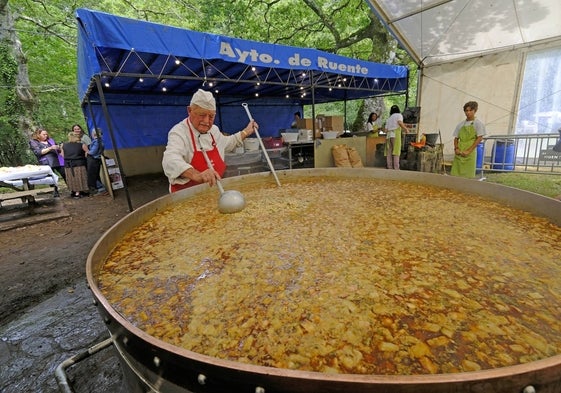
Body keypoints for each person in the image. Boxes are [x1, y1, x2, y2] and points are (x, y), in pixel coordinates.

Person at [162, 89, 258, 192]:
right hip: (186, 197)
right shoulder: (179, 132)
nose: (207, 121)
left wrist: (246, 132)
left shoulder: (214, 130)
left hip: (213, 193)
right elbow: (170, 160)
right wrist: (197, 175)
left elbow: (228, 143)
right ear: (189, 110)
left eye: (211, 116)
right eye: (202, 115)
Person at [451, 101, 486, 178]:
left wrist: (469, 150)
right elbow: (456, 138)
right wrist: (456, 148)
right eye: (466, 110)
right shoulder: (460, 124)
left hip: (470, 151)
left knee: (468, 175)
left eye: (470, 110)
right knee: (456, 174)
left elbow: (479, 138)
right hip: (459, 151)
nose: (468, 112)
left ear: (475, 111)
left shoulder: (478, 124)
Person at [61, 132, 89, 198]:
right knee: (80, 178)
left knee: (71, 179)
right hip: (79, 164)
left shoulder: (63, 145)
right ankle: (79, 192)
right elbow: (87, 152)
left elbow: (62, 155)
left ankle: (74, 191)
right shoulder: (82, 145)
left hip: (68, 165)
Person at [384, 105, 409, 169]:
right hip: (395, 135)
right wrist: (406, 129)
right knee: (396, 151)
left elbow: (385, 130)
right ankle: (396, 168)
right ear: (398, 110)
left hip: (388, 136)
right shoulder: (399, 115)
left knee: (389, 152)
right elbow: (400, 122)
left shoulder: (389, 118)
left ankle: (389, 167)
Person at [86, 128, 108, 195]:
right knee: (95, 175)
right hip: (96, 160)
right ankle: (101, 189)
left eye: (93, 133)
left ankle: (101, 189)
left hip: (93, 160)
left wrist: (87, 152)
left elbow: (93, 152)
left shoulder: (97, 141)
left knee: (93, 175)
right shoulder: (100, 140)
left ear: (94, 134)